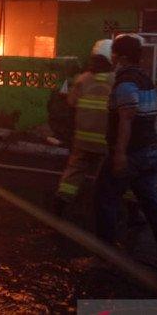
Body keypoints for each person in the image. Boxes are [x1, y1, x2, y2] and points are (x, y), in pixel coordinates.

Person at [93, 34, 157, 269]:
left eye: (116, 53)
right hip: (150, 152)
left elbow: (126, 120)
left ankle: (103, 258)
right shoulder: (145, 79)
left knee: (104, 199)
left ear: (122, 56)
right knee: (151, 203)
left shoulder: (126, 82)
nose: (113, 57)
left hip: (131, 153)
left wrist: (119, 155)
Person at [54, 39, 114, 214]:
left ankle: (61, 202)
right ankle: (106, 209)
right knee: (109, 175)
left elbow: (71, 102)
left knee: (74, 172)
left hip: (82, 140)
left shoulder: (83, 79)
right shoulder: (116, 80)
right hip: (106, 142)